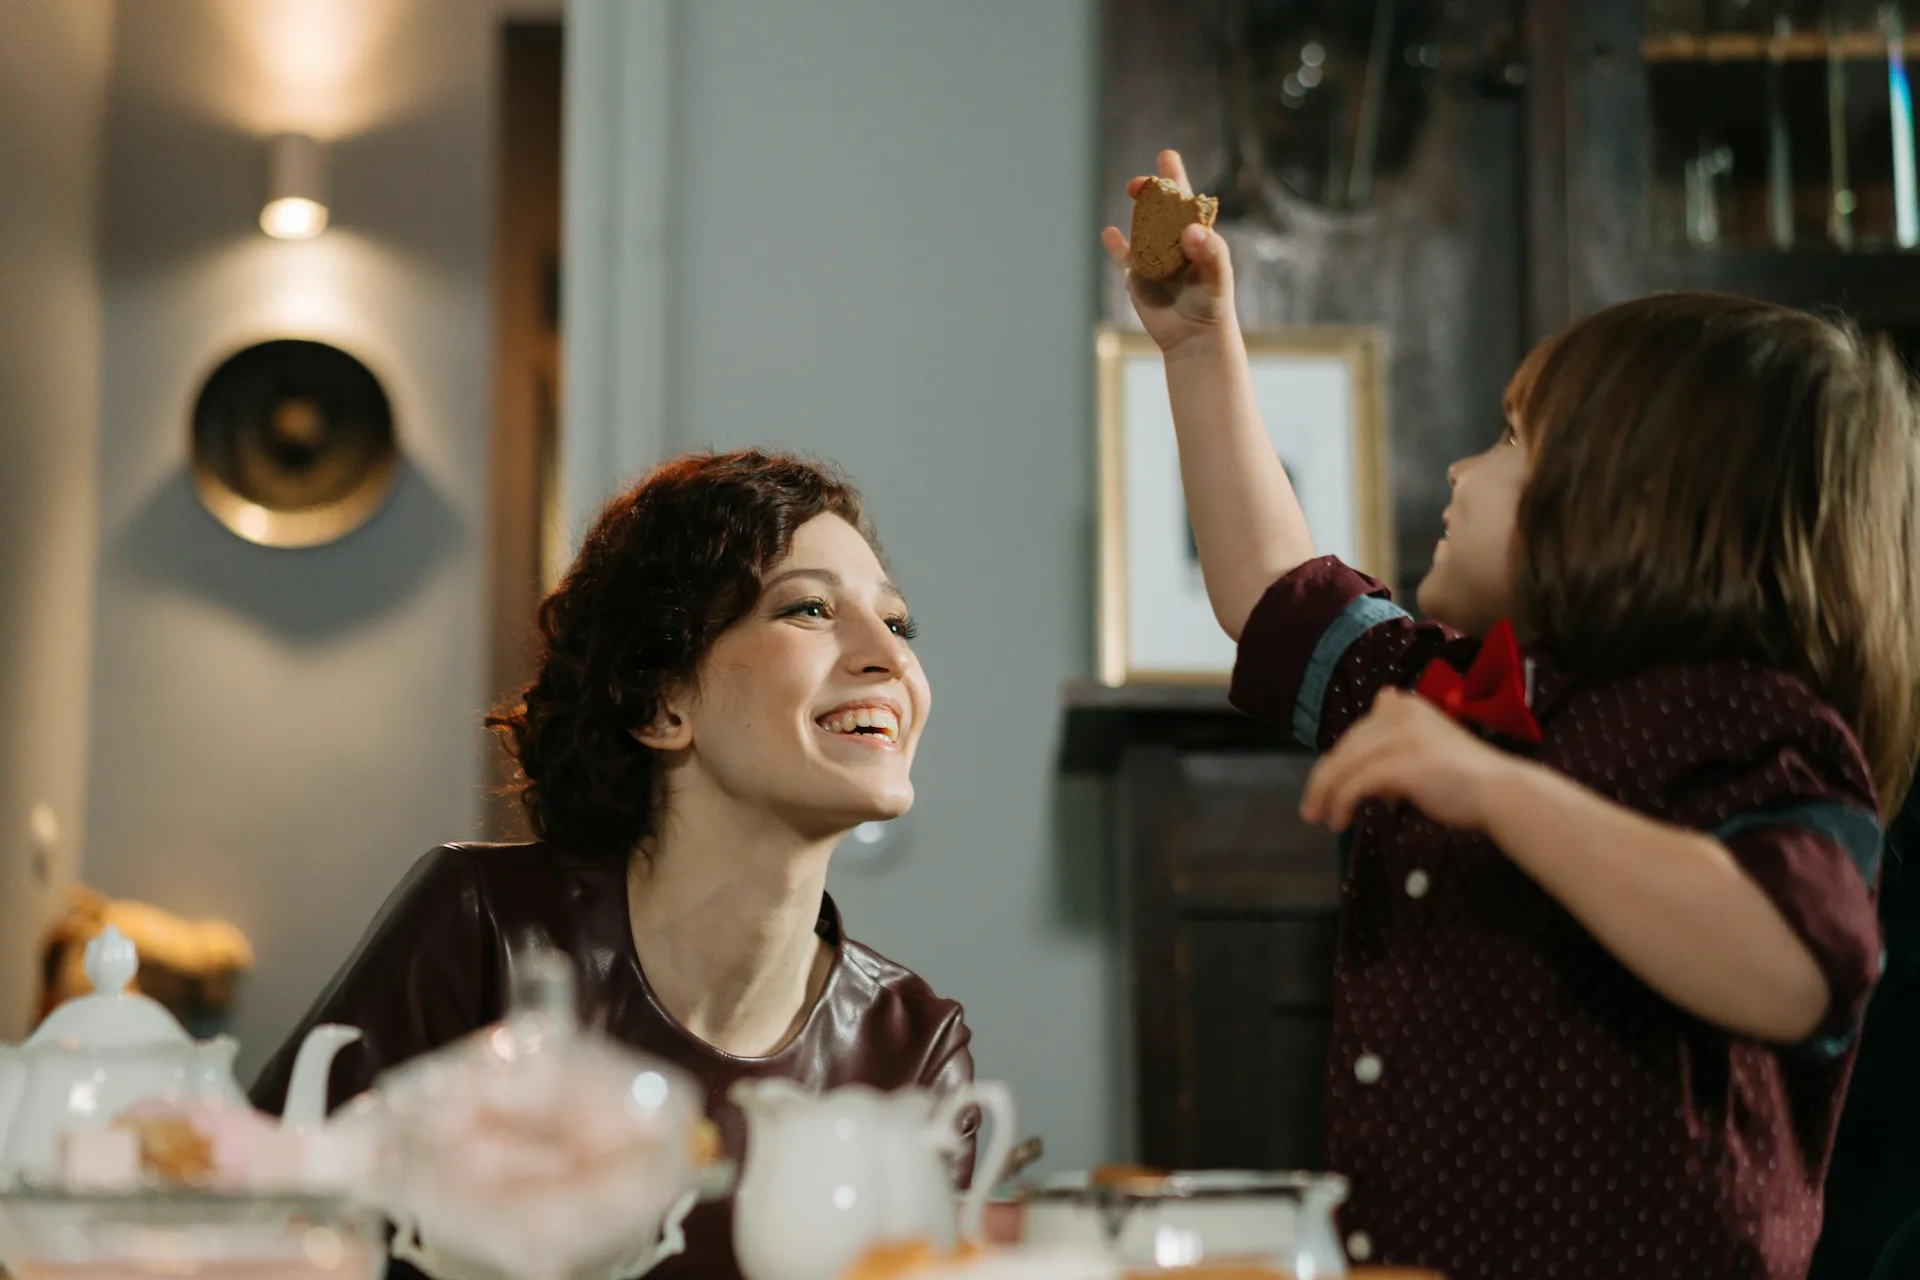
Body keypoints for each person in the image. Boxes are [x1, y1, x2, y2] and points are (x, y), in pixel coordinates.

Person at [1104, 150, 1920, 1279]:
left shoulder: (1750, 728)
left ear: (1634, 506)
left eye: (1508, 441)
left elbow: (1796, 963)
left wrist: (1499, 791)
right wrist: (1200, 346)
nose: (1458, 468)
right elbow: (1272, 593)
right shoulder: (1456, 690)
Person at [251, 449, 975, 1280]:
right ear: (660, 701)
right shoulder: (481, 927)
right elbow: (245, 1228)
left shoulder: (912, 1047)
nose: (888, 656)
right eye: (809, 609)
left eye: (896, 622)